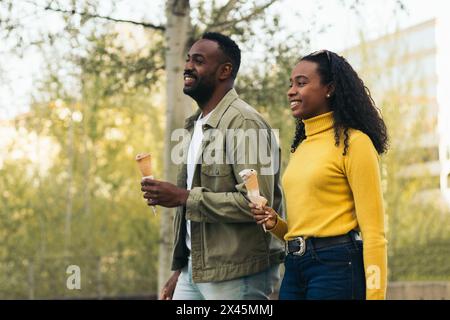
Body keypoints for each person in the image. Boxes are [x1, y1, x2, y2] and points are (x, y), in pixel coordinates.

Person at [141, 32, 285, 300]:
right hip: (195, 271)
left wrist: (183, 197)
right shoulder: (195, 125)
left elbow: (257, 205)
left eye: (198, 61)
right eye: (187, 60)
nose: (187, 67)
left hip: (237, 273)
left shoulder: (244, 123)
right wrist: (183, 270)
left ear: (224, 71)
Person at [251, 50, 388, 300]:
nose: (291, 91)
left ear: (330, 88)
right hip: (294, 267)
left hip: (337, 267)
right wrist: (276, 224)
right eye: (291, 84)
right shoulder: (302, 147)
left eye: (301, 83)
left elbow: (374, 233)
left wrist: (376, 295)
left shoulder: (355, 143)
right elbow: (307, 229)